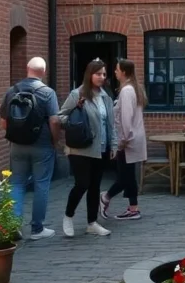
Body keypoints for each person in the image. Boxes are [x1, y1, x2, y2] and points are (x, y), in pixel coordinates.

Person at [0, 57, 59, 240]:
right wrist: (55, 141)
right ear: (44, 72)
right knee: (41, 184)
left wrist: (16, 135)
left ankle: (14, 226)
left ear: (27, 68)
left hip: (17, 146)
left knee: (17, 183)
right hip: (42, 145)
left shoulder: (12, 91)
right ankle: (37, 229)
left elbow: (3, 122)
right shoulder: (48, 93)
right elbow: (54, 121)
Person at [58, 59, 118, 237]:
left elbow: (111, 124)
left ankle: (92, 223)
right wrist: (74, 122)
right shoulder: (77, 94)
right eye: (98, 74)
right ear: (89, 74)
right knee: (82, 184)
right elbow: (60, 116)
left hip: (101, 148)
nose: (102, 77)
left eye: (104, 74)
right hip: (80, 148)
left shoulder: (106, 96)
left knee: (95, 186)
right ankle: (68, 216)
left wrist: (114, 144)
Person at [101, 58, 148, 220]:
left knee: (123, 177)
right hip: (133, 137)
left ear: (124, 72)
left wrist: (121, 141)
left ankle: (105, 197)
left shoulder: (127, 91)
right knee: (129, 175)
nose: (115, 72)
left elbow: (126, 118)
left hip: (128, 140)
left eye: (117, 69)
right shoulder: (134, 88)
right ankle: (133, 208)